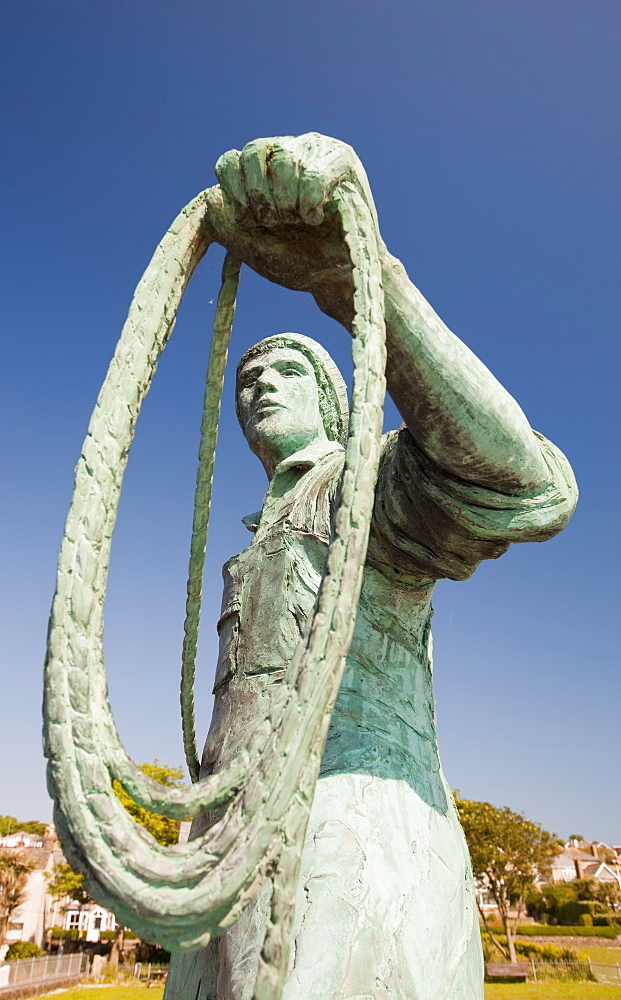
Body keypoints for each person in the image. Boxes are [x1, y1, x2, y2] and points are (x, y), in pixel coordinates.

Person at [168, 135, 577, 1000]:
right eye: (248, 379)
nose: (262, 386)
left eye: (288, 370)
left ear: (332, 400)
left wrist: (359, 284)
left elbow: (525, 484)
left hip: (347, 831)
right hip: (226, 846)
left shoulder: (366, 486)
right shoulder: (256, 538)